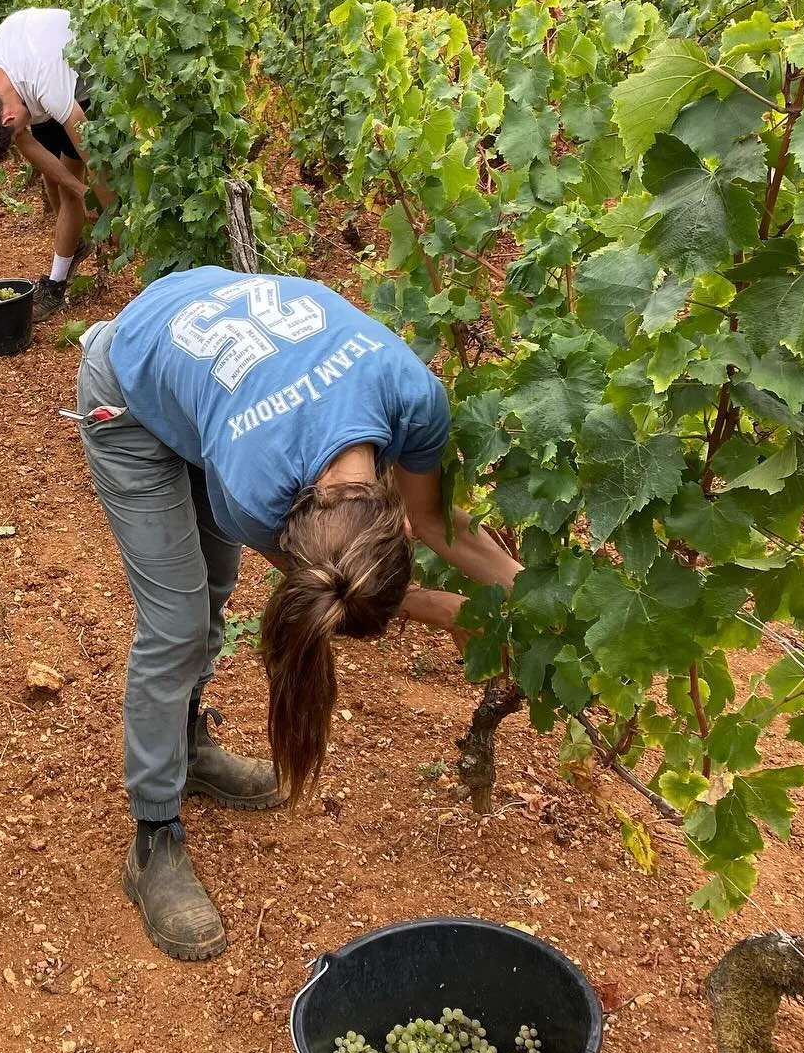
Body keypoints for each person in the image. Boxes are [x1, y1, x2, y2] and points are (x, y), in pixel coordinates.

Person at [75, 266, 522, 963]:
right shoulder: (256, 492)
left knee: (216, 588)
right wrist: (451, 611)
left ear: (388, 508)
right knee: (178, 622)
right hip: (130, 392)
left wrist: (532, 599)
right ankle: (153, 836)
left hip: (208, 366)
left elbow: (437, 521)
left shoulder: (411, 395)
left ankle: (185, 747)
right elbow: (334, 584)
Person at [0, 8, 93, 317]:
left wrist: (102, 202)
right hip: (33, 91)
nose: (21, 137)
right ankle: (73, 244)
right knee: (59, 183)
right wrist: (78, 190)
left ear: (7, 117)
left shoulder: (50, 82)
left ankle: (55, 286)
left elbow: (91, 150)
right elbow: (26, 142)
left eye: (16, 133)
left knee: (74, 178)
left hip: (81, 83)